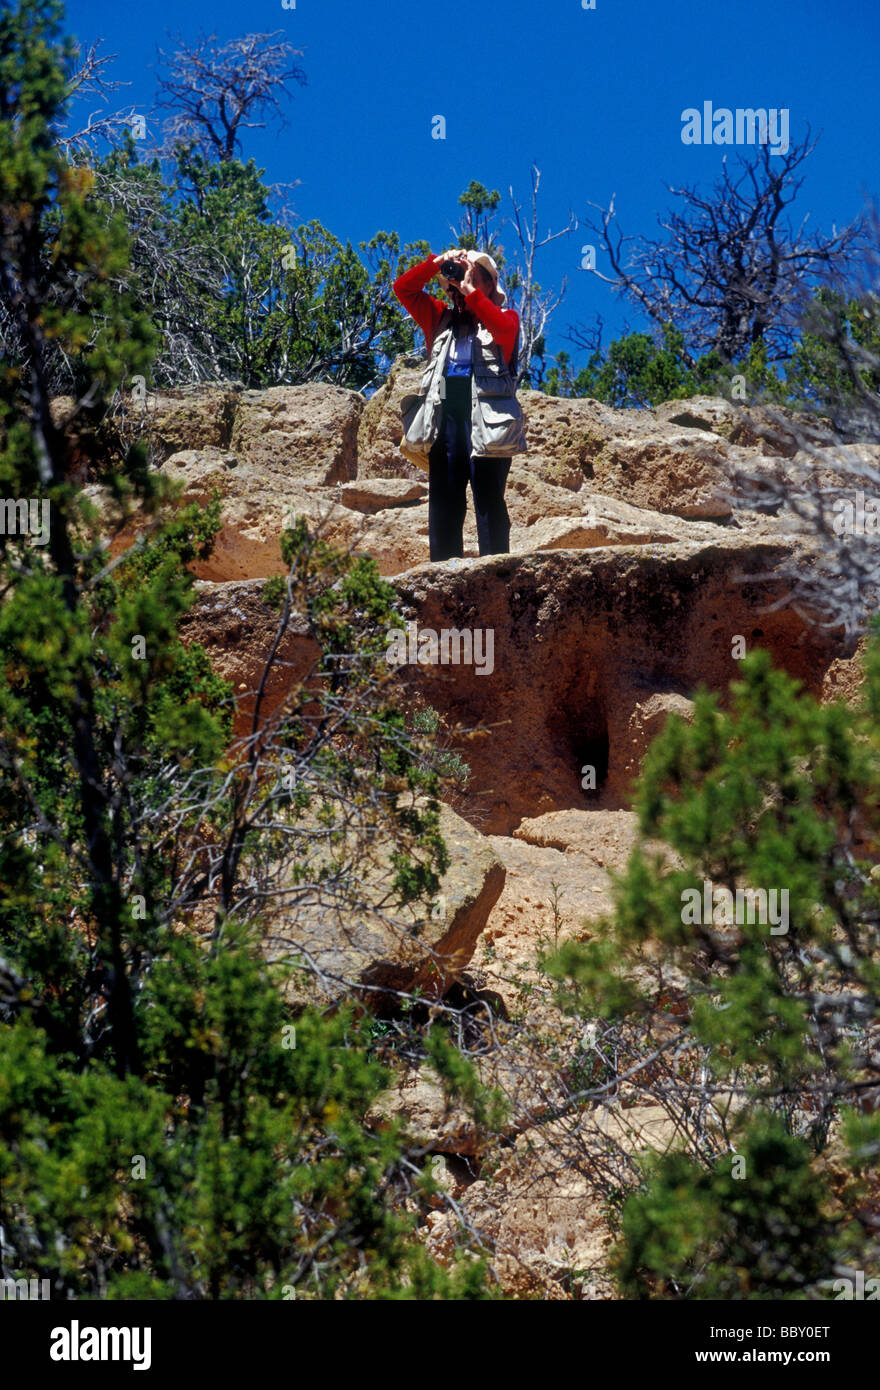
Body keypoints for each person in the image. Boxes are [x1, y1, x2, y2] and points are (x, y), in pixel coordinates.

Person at [392, 249, 522, 562]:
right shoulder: (439, 317)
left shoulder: (504, 319)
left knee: (489, 498)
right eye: (460, 276)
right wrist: (435, 263)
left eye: (475, 276)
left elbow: (504, 330)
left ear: (490, 285)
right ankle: (442, 573)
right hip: (446, 411)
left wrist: (471, 292)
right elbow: (403, 289)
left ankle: (496, 570)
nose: (463, 281)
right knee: (444, 501)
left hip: (488, 417)